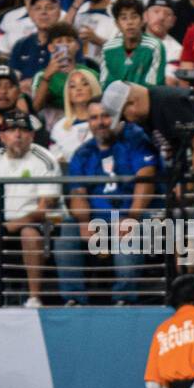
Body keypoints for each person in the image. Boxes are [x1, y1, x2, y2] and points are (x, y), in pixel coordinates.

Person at [101, 79, 194, 282]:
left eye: (124, 115)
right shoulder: (149, 115)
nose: (127, 121)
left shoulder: (167, 103)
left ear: (133, 102)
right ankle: (185, 288)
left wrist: (189, 186)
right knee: (180, 220)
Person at [58, 97, 160, 305]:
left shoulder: (135, 140)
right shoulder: (83, 153)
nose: (101, 122)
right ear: (88, 122)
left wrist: (131, 216)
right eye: (94, 118)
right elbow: (78, 194)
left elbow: (146, 179)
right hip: (97, 217)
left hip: (133, 212)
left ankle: (124, 299)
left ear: (116, 117)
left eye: (105, 116)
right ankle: (74, 300)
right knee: (67, 231)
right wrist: (84, 220)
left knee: (131, 232)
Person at [0, 110, 62, 308]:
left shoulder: (45, 159)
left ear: (32, 135)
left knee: (29, 234)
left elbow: (43, 209)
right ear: (2, 136)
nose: (18, 135)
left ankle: (34, 298)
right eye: (12, 130)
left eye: (23, 130)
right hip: (0, 223)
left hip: (37, 223)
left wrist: (6, 227)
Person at [99, 0, 167, 88]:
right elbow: (104, 84)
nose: (129, 22)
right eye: (124, 18)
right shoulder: (108, 48)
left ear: (142, 20)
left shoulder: (154, 46)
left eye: (134, 17)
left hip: (146, 100)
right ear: (117, 24)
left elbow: (153, 87)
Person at [47, 69, 102, 166]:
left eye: (85, 84)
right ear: (67, 93)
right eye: (72, 86)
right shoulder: (59, 127)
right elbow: (55, 159)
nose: (78, 88)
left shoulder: (106, 121)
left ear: (94, 87)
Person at [10, 0, 64, 82]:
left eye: (49, 8)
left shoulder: (68, 43)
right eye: (38, 8)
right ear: (31, 15)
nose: (43, 12)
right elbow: (13, 80)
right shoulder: (21, 45)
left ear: (59, 12)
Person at [73, 0, 118, 64]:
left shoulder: (117, 13)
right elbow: (59, 35)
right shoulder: (79, 9)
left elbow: (125, 52)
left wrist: (98, 40)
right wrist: (76, 4)